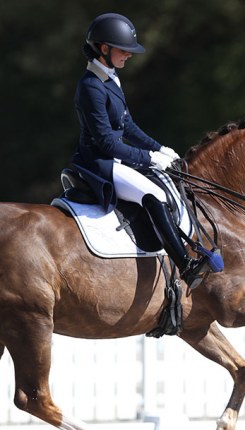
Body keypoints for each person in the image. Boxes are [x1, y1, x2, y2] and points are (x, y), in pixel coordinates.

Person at [72, 13, 212, 289]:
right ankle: (185, 265)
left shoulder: (111, 79)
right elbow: (107, 144)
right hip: (99, 163)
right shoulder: (91, 87)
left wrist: (159, 148)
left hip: (116, 157)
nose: (129, 56)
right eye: (124, 50)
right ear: (104, 49)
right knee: (154, 194)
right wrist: (149, 159)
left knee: (167, 185)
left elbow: (128, 127)